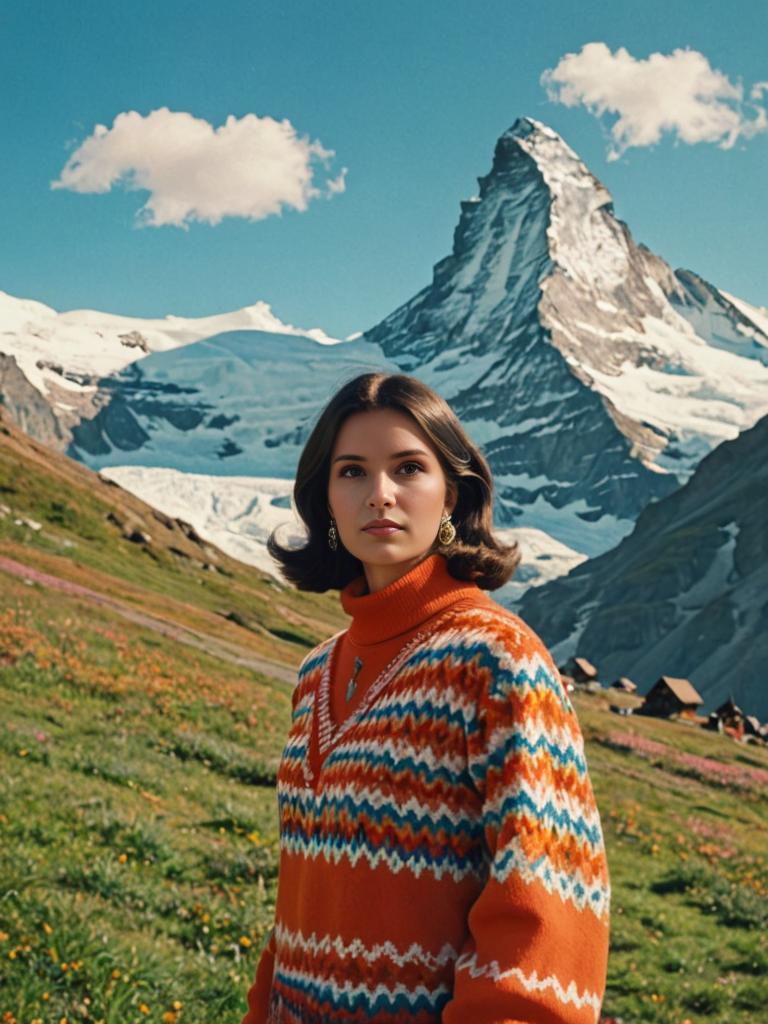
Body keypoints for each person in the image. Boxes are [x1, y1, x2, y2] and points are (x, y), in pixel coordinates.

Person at [241, 372, 610, 1024]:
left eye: (408, 468)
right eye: (351, 472)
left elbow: (548, 908)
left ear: (452, 495)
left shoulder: (496, 660)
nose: (379, 494)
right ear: (324, 499)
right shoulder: (317, 671)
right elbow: (300, 896)